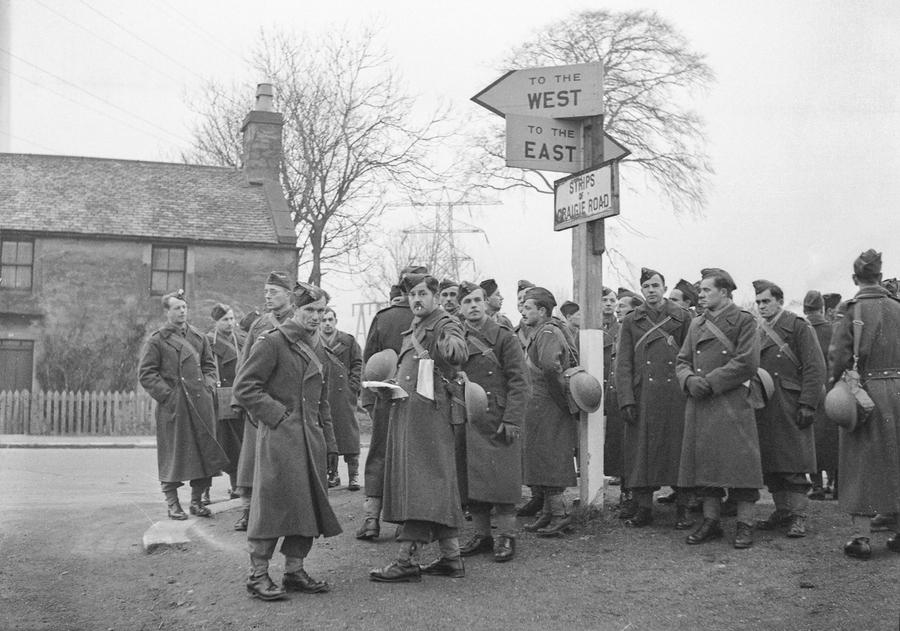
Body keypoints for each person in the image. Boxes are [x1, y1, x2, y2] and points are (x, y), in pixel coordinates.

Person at [233, 282, 341, 600]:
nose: (316, 317)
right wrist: (278, 416)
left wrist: (330, 442)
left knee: (306, 508)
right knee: (271, 508)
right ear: (296, 309)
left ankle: (294, 571)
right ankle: (257, 576)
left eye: (321, 311)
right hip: (280, 439)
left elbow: (322, 401)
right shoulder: (273, 342)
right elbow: (245, 387)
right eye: (309, 310)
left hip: (311, 440)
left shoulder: (317, 345)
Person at [369, 273, 468, 583]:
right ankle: (451, 558)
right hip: (412, 416)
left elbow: (457, 352)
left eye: (422, 293)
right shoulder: (414, 327)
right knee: (435, 485)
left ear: (435, 296)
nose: (416, 299)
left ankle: (407, 560)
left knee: (421, 487)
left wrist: (449, 343)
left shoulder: (444, 323)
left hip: (429, 419)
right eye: (412, 294)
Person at [676, 268, 763, 549]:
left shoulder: (744, 320)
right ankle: (710, 521)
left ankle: (745, 524)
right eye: (700, 291)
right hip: (701, 402)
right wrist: (689, 380)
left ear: (723, 292)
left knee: (742, 467)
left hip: (732, 402)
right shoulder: (696, 324)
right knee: (706, 464)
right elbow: (682, 360)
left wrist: (710, 382)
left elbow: (747, 362)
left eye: (706, 290)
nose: (700, 296)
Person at [828, 249, 900, 559]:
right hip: (899, 390)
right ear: (880, 277)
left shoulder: (852, 310)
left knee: (860, 462)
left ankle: (861, 538)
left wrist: (835, 389)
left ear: (855, 278)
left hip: (864, 393)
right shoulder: (897, 307)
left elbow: (838, 357)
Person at [454, 281, 531, 563]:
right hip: (467, 416)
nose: (473, 306)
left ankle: (507, 536)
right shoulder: (455, 338)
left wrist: (512, 419)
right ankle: (482, 535)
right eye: (467, 302)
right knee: (472, 480)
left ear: (486, 303)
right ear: (460, 308)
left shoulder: (504, 337)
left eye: (477, 300)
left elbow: (520, 382)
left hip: (498, 417)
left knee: (502, 480)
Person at [138, 290, 229, 521]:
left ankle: (197, 502)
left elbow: (209, 367)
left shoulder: (198, 337)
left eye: (184, 307)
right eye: (177, 308)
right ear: (166, 312)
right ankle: (173, 504)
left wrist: (208, 388)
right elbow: (147, 374)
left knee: (204, 452)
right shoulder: (157, 340)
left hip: (200, 404)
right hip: (175, 407)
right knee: (173, 456)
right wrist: (168, 396)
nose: (182, 311)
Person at [615, 268, 693, 530]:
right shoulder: (631, 320)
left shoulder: (683, 316)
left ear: (664, 288)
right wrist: (626, 399)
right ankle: (644, 508)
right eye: (646, 286)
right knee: (642, 453)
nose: (651, 290)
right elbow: (623, 363)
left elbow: (690, 357)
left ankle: (683, 507)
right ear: (641, 289)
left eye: (655, 285)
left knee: (678, 452)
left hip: (676, 394)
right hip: (643, 395)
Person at [752, 280, 825, 539]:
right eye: (758, 302)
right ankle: (782, 510)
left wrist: (808, 404)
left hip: (791, 403)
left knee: (794, 462)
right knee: (772, 462)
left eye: (766, 301)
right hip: (767, 403)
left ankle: (798, 515)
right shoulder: (758, 330)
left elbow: (815, 366)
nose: (762, 306)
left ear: (780, 302)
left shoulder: (797, 326)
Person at [355, 266, 423, 541]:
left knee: (379, 456)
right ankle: (407, 522)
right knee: (415, 458)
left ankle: (371, 519)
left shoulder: (384, 318)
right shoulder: (433, 318)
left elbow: (369, 362)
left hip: (386, 397)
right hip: (421, 401)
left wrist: (370, 400)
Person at [232, 271, 296, 532]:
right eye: (266, 292)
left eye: (274, 292)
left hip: (288, 402)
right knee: (251, 460)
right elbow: (244, 363)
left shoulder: (299, 321)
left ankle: (285, 513)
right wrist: (240, 403)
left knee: (285, 461)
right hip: (258, 402)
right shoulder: (259, 324)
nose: (268, 296)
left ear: (288, 295)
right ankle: (247, 511)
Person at [520, 286, 578, 537]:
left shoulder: (547, 331)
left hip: (548, 405)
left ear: (542, 311)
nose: (523, 312)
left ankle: (561, 515)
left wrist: (559, 399)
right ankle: (547, 513)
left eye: (528, 308)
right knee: (542, 459)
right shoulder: (540, 331)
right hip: (540, 406)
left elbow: (549, 366)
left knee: (550, 460)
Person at [206, 303, 247, 500]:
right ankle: (204, 491)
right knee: (214, 445)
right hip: (216, 400)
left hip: (239, 398)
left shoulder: (242, 340)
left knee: (237, 443)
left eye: (232, 318)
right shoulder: (207, 342)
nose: (230, 323)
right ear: (215, 322)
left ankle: (237, 485)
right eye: (225, 320)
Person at [320, 306, 363, 491]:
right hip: (324, 394)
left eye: (330, 319)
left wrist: (352, 387)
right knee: (328, 434)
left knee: (349, 433)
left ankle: (354, 475)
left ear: (336, 321)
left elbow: (357, 363)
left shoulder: (348, 340)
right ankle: (333, 473)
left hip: (344, 394)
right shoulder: (314, 341)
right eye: (324, 320)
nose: (327, 324)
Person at [803, 291, 838, 501]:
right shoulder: (833, 329)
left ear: (804, 309)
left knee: (812, 435)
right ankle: (838, 486)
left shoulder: (801, 329)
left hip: (811, 388)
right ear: (822, 308)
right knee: (835, 436)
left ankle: (816, 486)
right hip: (833, 388)